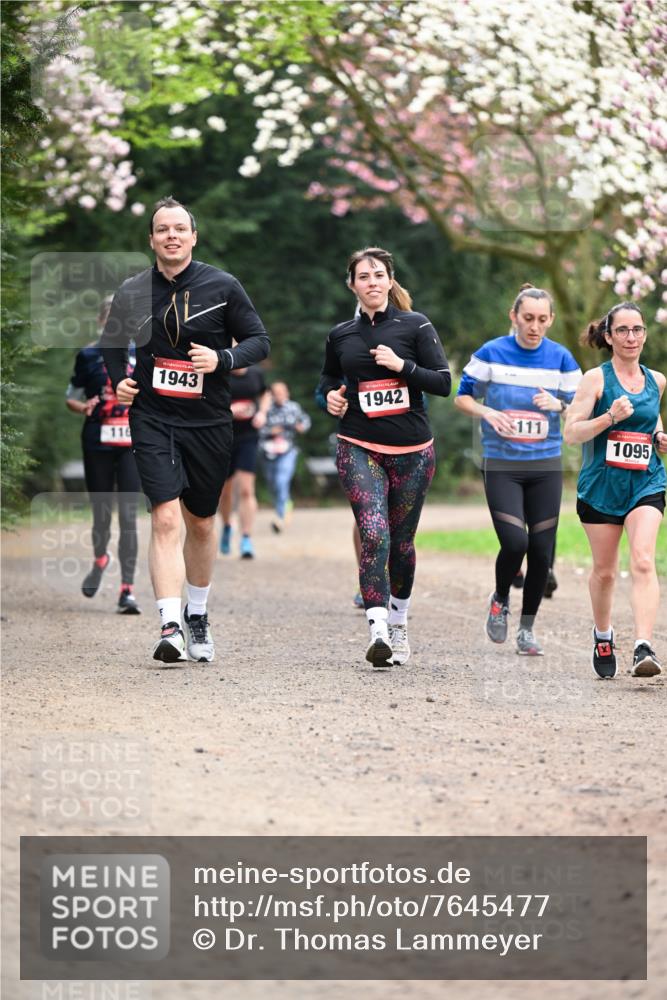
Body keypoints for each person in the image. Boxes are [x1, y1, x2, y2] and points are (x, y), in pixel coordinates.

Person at [102, 196, 270, 663]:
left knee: (199, 521)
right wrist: (121, 382)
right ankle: (170, 624)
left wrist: (224, 359)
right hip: (154, 418)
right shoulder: (133, 290)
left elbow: (259, 340)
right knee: (166, 517)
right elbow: (112, 343)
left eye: (180, 228)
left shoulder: (223, 285)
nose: (171, 236)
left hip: (209, 420)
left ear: (194, 236)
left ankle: (198, 614)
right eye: (162, 229)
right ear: (152, 239)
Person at [318, 246, 451, 669]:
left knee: (402, 543)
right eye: (363, 276)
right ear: (352, 284)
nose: (372, 282)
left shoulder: (416, 326)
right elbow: (326, 381)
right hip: (358, 445)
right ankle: (377, 631)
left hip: (412, 452)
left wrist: (402, 367)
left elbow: (444, 383)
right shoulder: (341, 335)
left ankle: (398, 622)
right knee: (374, 534)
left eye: (378, 275)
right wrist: (331, 399)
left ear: (390, 281)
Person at [455, 284, 582, 655]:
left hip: (545, 465)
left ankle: (526, 629)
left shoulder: (561, 359)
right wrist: (488, 411)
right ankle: (499, 598)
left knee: (542, 551)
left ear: (551, 320)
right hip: (501, 464)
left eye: (543, 320)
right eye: (528, 318)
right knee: (515, 542)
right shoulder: (491, 353)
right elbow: (462, 396)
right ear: (514, 317)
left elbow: (581, 408)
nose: (535, 326)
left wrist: (558, 405)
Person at [564, 302, 666, 679]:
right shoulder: (596, 379)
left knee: (642, 559)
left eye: (637, 329)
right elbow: (571, 433)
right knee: (606, 573)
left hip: (646, 481)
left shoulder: (657, 380)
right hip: (601, 486)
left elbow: (651, 417)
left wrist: (657, 436)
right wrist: (608, 418)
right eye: (622, 330)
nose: (631, 337)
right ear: (608, 336)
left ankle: (643, 646)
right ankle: (603, 635)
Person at [66, 297, 142, 614]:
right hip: (96, 440)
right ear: (101, 321)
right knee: (101, 512)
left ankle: (127, 590)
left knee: (127, 516)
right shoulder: (88, 355)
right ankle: (100, 558)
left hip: (132, 442)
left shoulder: (143, 354)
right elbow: (71, 396)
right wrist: (83, 407)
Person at [218, 363, 270, 558]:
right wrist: (230, 410)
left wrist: (262, 413)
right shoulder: (219, 372)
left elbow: (265, 394)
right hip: (223, 437)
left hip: (249, 437)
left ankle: (246, 538)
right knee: (225, 492)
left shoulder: (256, 373)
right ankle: (226, 526)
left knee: (247, 490)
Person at [259, 381, 311, 532]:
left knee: (282, 480)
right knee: (272, 484)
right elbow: (257, 428)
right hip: (268, 452)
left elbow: (305, 421)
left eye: (281, 392)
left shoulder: (293, 407)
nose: (279, 395)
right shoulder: (266, 408)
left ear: (287, 393)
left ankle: (280, 517)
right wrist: (270, 431)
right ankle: (285, 504)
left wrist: (301, 427)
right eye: (275, 393)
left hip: (288, 451)